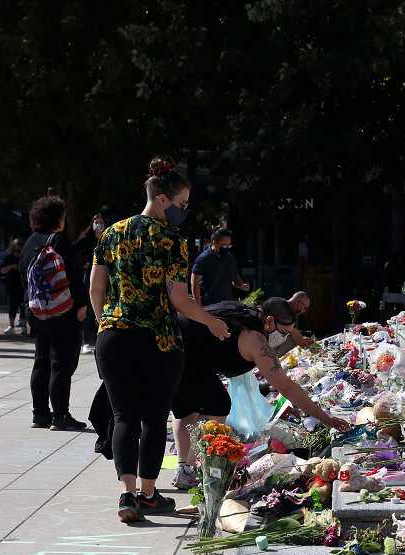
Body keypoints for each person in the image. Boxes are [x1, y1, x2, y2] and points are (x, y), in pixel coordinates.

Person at [90, 157, 230, 523]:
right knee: (153, 418)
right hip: (159, 341)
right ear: (164, 199)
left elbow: (95, 288)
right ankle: (149, 494)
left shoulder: (112, 233)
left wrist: (106, 321)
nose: (184, 210)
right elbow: (180, 300)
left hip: (114, 336)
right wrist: (212, 321)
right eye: (182, 203)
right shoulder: (171, 240)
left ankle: (126, 495)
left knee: (124, 416)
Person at [170, 297, 350, 489]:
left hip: (177, 343)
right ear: (270, 320)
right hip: (185, 352)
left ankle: (185, 469)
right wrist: (325, 418)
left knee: (188, 409)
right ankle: (189, 469)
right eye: (284, 332)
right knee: (218, 404)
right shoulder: (256, 339)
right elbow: (287, 387)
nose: (284, 338)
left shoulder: (248, 316)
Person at [20, 195, 87, 430]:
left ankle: (40, 414)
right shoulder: (58, 240)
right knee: (61, 362)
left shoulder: (29, 242)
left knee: (41, 361)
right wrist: (81, 305)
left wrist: (27, 310)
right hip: (62, 311)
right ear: (58, 218)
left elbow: (24, 280)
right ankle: (61, 415)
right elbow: (74, 276)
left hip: (35, 310)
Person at [190, 229, 250, 306]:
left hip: (226, 306)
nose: (227, 248)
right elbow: (194, 282)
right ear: (214, 243)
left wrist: (241, 285)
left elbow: (235, 278)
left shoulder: (230, 258)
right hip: (207, 306)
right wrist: (198, 305)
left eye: (229, 245)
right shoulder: (203, 259)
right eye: (224, 246)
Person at [75, 213, 107, 354]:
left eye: (101, 222)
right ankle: (85, 342)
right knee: (89, 309)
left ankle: (104, 338)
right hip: (90, 277)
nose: (98, 224)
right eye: (96, 222)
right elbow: (71, 251)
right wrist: (83, 264)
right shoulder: (85, 240)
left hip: (107, 277)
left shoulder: (108, 238)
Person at [0, 238, 26, 333]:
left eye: (22, 244)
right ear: (14, 245)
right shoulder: (9, 258)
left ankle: (24, 326)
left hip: (24, 285)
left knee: (24, 306)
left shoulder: (26, 257)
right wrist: (12, 266)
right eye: (18, 244)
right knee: (12, 305)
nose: (20, 246)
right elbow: (2, 271)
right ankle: (11, 326)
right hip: (11, 285)